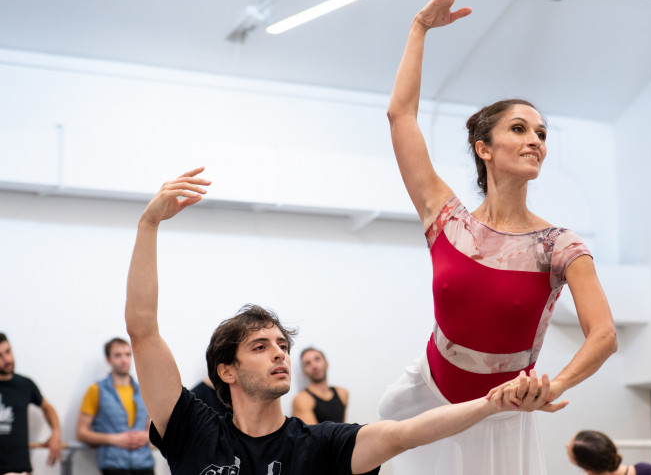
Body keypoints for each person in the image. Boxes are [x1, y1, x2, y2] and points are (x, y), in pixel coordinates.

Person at [126, 168, 554, 475]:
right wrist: (148, 223)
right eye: (260, 347)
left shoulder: (321, 445)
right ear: (226, 370)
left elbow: (404, 434)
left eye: (281, 345)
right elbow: (143, 331)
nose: (279, 353)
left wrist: (493, 402)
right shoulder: (193, 431)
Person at [378, 0, 618, 475]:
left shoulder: (559, 245)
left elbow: (604, 336)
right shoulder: (445, 219)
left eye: (542, 133)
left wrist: (552, 386)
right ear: (484, 148)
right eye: (519, 128)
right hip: (431, 394)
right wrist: (420, 27)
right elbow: (401, 116)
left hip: (501, 414)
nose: (536, 140)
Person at [76, 337, 154, 475]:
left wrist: (147, 436)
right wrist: (113, 439)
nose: (124, 360)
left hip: (144, 463)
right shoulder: (96, 390)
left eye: (128, 354)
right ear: (108, 359)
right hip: (113, 464)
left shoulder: (144, 391)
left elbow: (149, 427)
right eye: (118, 355)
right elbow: (81, 432)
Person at [0, 332, 63, 475]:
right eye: (0, 356)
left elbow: (47, 407)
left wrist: (56, 433)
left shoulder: (25, 384)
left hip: (20, 469)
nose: (7, 359)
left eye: (8, 352)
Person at [566, 430, 651, 475]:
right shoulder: (644, 469)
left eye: (568, 453)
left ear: (587, 469)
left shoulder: (645, 471)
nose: (566, 445)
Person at [292, 348, 348, 424]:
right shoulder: (302, 400)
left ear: (326, 363)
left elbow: (343, 428)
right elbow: (312, 434)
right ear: (304, 372)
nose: (314, 366)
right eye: (308, 363)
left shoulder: (342, 393)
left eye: (317, 359)